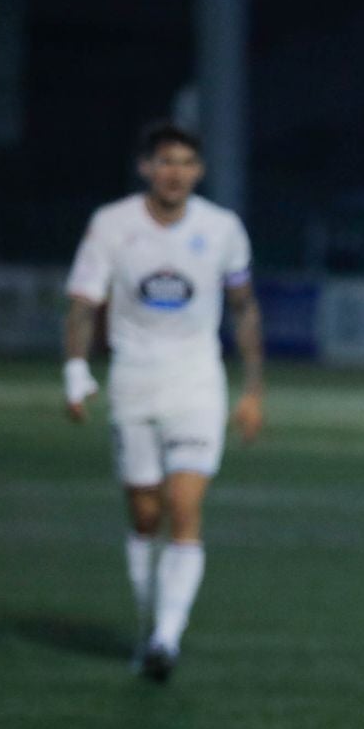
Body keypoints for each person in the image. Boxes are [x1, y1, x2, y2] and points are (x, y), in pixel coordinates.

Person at [62, 119, 265, 682]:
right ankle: (152, 622)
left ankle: (167, 641)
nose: (175, 172)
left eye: (186, 163)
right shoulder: (112, 224)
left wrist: (252, 390)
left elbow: (244, 307)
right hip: (133, 380)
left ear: (199, 172)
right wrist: (76, 370)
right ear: (146, 167)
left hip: (197, 381)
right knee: (144, 514)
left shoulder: (222, 228)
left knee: (184, 506)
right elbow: (82, 302)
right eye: (165, 161)